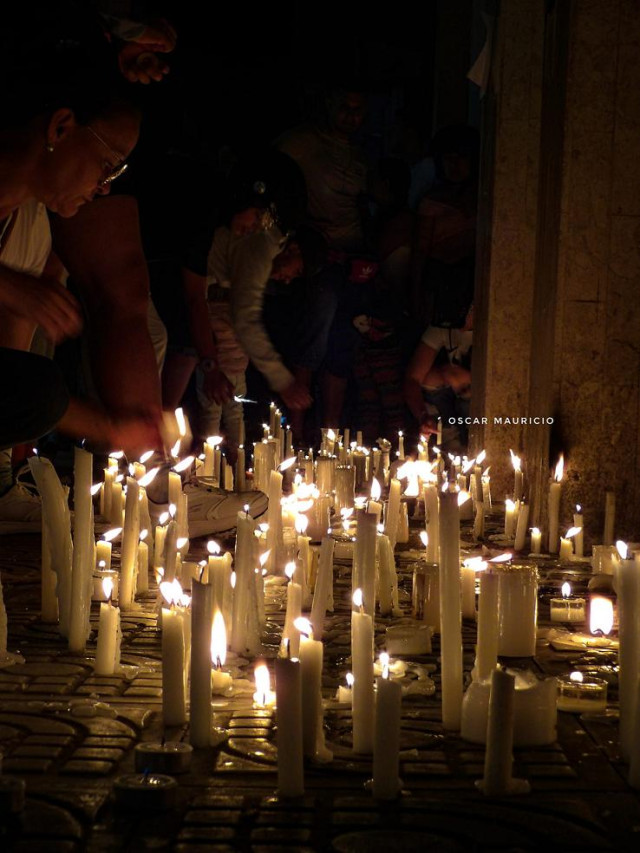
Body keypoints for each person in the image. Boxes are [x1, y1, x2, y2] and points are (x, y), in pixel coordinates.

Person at [404, 304, 473, 453]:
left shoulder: (493, 328)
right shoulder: (444, 324)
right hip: (450, 397)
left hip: (477, 400)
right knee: (429, 378)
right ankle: (451, 447)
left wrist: (465, 379)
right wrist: (422, 416)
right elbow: (412, 379)